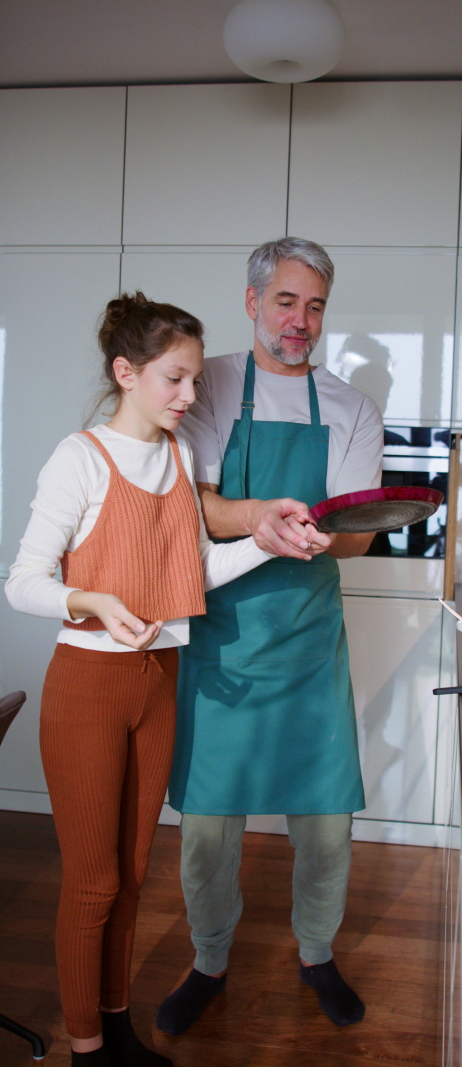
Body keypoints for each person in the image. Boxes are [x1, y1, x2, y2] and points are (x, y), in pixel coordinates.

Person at [5, 293, 274, 1067]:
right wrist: (89, 599)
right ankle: (87, 1047)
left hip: (160, 679)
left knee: (130, 872)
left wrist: (269, 539)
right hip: (89, 685)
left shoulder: (181, 458)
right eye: (175, 379)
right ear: (127, 373)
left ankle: (116, 1028)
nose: (190, 397)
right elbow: (21, 581)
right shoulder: (78, 457)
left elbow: (194, 570)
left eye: (193, 380)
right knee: (91, 882)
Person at [156, 237, 384, 1036]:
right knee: (208, 825)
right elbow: (201, 503)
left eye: (315, 304)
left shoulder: (352, 407)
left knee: (326, 819)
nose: (301, 320)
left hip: (309, 635)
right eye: (286, 301)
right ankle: (208, 958)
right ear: (252, 301)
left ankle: (316, 950)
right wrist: (262, 521)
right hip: (223, 635)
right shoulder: (210, 381)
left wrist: (329, 534)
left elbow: (356, 529)